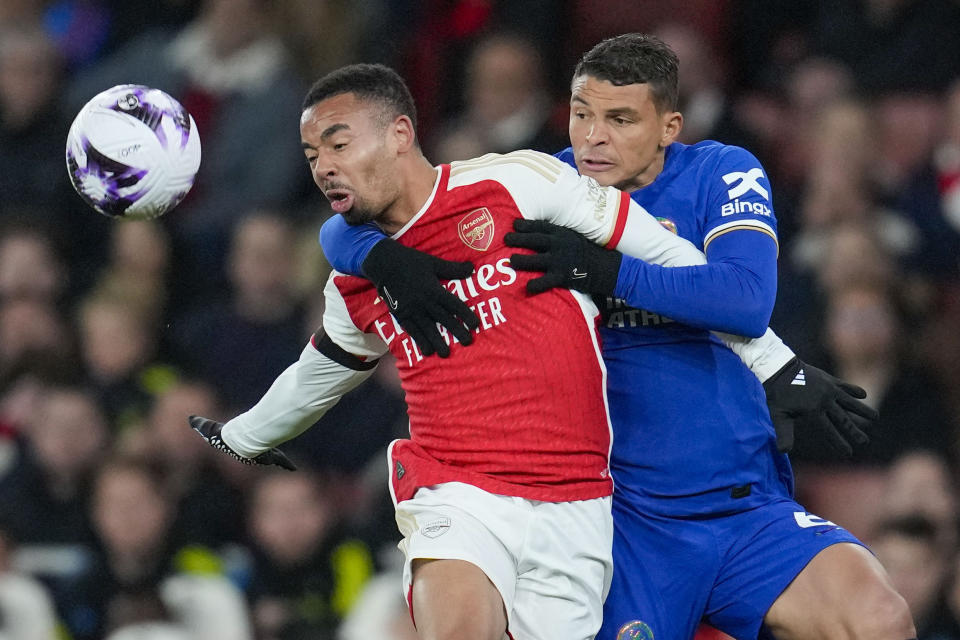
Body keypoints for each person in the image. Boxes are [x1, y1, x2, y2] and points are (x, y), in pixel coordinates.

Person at [317, 36, 914, 639]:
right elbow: (378, 212)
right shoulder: (536, 189)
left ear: (668, 126)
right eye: (582, 114)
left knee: (878, 618)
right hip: (620, 526)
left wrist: (607, 273)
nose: (593, 137)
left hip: (743, 510)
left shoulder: (718, 171)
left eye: (620, 118)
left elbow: (744, 299)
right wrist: (374, 255)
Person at [188, 62, 789, 640]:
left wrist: (776, 362)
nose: (324, 168)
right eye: (313, 156)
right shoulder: (352, 282)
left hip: (576, 499)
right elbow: (316, 376)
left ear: (400, 133)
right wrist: (243, 437)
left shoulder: (516, 182)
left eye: (339, 146)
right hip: (456, 491)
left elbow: (672, 258)